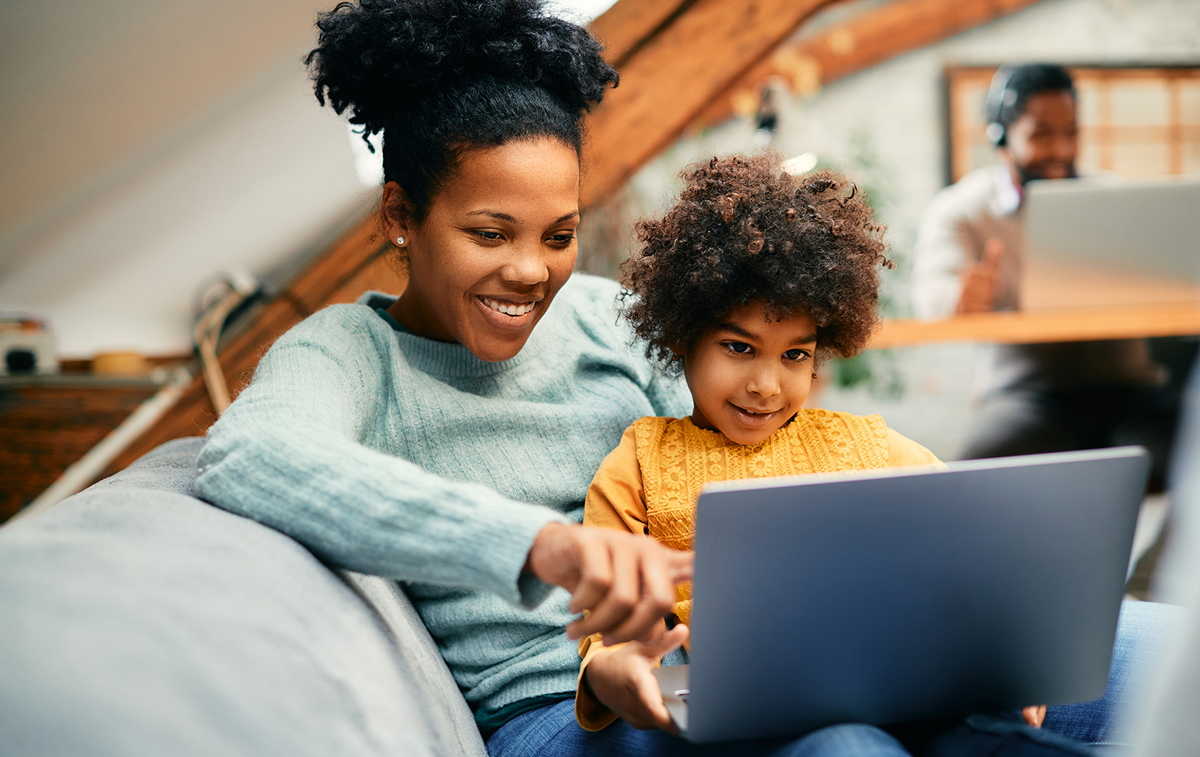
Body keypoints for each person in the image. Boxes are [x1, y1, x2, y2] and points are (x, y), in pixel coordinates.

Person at [190, 7, 1175, 756]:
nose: (531, 271)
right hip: (558, 707)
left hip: (743, 661)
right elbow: (250, 454)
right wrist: (544, 546)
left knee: (1157, 662)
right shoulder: (348, 356)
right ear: (400, 216)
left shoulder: (610, 319)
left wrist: (957, 615)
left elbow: (746, 456)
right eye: (489, 233)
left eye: (560, 234)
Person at [552, 152, 1086, 755]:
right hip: (746, 714)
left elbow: (975, 532)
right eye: (738, 347)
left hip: (896, 678)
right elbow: (607, 627)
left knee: (995, 737)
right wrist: (615, 671)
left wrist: (1007, 644)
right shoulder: (641, 461)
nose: (767, 385)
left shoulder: (864, 445)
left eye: (795, 355)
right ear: (682, 335)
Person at [910, 64, 1180, 491]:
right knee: (964, 483)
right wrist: (959, 299)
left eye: (1071, 132)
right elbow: (931, 295)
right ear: (999, 136)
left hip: (1129, 394)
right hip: (1024, 399)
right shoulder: (961, 210)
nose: (1061, 149)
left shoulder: (1116, 200)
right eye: (1041, 134)